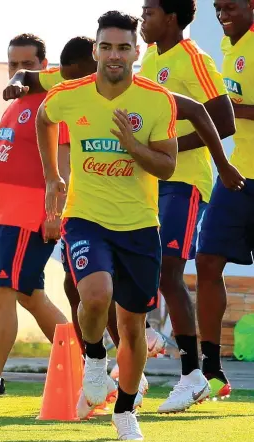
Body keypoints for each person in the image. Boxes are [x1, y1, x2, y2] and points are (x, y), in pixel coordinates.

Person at [36, 10, 178, 440]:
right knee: (95, 294)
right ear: (95, 49)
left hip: (139, 225)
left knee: (134, 326)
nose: (114, 55)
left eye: (122, 47)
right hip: (86, 217)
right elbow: (45, 118)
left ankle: (125, 411)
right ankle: (96, 361)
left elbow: (168, 166)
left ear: (137, 51)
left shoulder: (157, 100)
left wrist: (133, 146)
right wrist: (52, 177)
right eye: (106, 47)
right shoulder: (71, 93)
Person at [140, 0, 245, 413]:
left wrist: (167, 150)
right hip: (146, 183)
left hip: (185, 181)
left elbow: (224, 121)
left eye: (148, 12)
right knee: (144, 263)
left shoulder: (194, 59)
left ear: (169, 17)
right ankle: (142, 345)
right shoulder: (147, 57)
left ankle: (192, 374)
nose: (142, 19)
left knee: (169, 268)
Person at [0, 33, 69, 396]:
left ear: (44, 67)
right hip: (3, 214)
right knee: (29, 296)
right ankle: (85, 363)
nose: (19, 71)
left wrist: (55, 213)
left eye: (27, 65)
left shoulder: (52, 104)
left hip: (26, 215)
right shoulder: (11, 104)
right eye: (13, 64)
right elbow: (2, 158)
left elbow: (64, 162)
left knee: (3, 291)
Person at [196, 0, 254, 399]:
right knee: (207, 259)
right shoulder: (230, 47)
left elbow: (233, 111)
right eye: (217, 7)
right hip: (237, 176)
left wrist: (232, 111)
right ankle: (211, 367)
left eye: (230, 6)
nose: (221, 14)